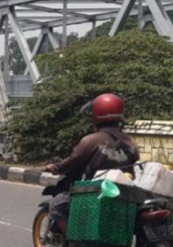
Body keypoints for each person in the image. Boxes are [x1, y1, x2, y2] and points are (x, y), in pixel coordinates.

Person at [44, 93, 139, 236]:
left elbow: (73, 161)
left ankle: (75, 244)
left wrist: (54, 167)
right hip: (124, 191)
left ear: (96, 114)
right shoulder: (130, 141)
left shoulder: (91, 140)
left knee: (56, 205)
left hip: (95, 190)